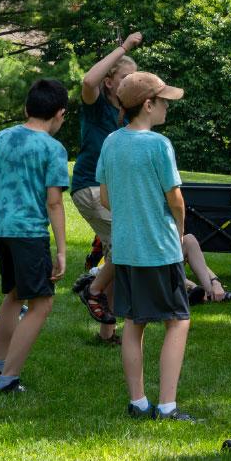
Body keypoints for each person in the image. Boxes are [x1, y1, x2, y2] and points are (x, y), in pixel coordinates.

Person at [97, 71, 196, 421]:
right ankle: (167, 406)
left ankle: (138, 402)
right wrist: (180, 234)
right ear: (148, 104)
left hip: (125, 249)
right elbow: (176, 200)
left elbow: (105, 198)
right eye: (164, 100)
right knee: (178, 321)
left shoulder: (111, 142)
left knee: (134, 323)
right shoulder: (158, 145)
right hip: (159, 248)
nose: (168, 106)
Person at [0, 79, 70, 394]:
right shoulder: (53, 149)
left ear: (27, 108)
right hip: (28, 233)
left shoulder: (3, 137)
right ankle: (8, 379)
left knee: (14, 295)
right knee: (41, 304)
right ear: (59, 114)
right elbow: (54, 202)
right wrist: (62, 251)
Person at [71, 31, 141, 344]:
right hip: (90, 187)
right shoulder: (96, 104)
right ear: (110, 82)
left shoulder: (126, 117)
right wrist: (123, 48)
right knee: (127, 243)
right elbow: (88, 81)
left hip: (111, 192)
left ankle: (107, 331)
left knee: (118, 251)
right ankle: (93, 288)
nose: (130, 84)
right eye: (125, 78)